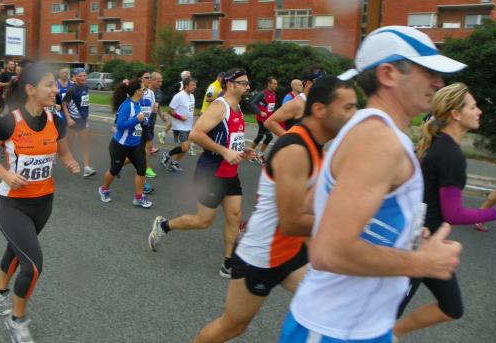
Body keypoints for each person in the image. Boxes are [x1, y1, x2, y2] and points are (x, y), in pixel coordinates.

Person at [280, 26, 464, 343]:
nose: (439, 83)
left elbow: (315, 202)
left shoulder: (366, 128)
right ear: (389, 74)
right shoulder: (379, 141)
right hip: (333, 330)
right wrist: (422, 262)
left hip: (356, 325)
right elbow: (328, 251)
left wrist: (401, 233)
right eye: (429, 72)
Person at [192, 76, 358, 343]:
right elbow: (292, 221)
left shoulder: (318, 147)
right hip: (261, 256)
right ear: (320, 110)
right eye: (348, 108)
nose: (354, 115)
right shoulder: (295, 149)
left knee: (336, 311)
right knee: (232, 326)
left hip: (292, 252)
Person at [394, 83, 496, 340]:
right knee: (383, 313)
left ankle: (390, 334)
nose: (479, 112)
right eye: (473, 107)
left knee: (451, 308)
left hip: (427, 242)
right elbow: (454, 213)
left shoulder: (441, 145)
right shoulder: (450, 154)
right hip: (417, 245)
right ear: (455, 114)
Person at [0, 63, 80, 343]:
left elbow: (62, 151)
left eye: (55, 84)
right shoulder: (9, 122)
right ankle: (18, 319)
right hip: (12, 204)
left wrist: (70, 161)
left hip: (43, 202)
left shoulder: (55, 121)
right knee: (33, 264)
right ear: (30, 89)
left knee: (17, 249)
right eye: (49, 84)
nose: (55, 89)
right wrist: (5, 174)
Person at [148, 68, 255, 278]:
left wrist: (243, 151)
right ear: (231, 84)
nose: (248, 87)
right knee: (204, 221)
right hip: (212, 171)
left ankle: (228, 264)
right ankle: (163, 226)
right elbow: (196, 134)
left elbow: (231, 139)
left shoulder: (238, 109)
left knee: (234, 217)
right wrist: (224, 151)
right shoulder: (219, 106)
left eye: (248, 83)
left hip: (231, 171)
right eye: (244, 83)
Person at [98, 78, 153, 208]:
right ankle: (104, 189)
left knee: (141, 169)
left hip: (135, 145)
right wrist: (136, 120)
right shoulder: (126, 106)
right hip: (120, 145)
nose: (145, 91)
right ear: (136, 91)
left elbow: (141, 122)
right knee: (114, 170)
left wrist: (144, 122)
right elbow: (120, 125)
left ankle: (139, 197)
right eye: (143, 89)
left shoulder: (139, 104)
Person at [62, 68, 95, 177]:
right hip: (73, 120)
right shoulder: (72, 89)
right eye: (80, 76)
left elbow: (84, 104)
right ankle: (64, 160)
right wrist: (68, 119)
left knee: (85, 144)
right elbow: (64, 104)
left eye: (84, 75)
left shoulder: (86, 87)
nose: (83, 78)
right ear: (75, 77)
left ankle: (86, 167)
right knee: (68, 144)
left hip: (83, 121)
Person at [264, 71, 318, 136]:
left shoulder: (305, 99)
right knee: (267, 137)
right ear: (294, 87)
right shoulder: (289, 97)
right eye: (300, 85)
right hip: (285, 126)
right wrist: (288, 138)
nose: (302, 86)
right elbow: (284, 111)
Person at [160, 77, 196, 172]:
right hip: (179, 126)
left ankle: (174, 163)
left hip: (188, 126)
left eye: (195, 85)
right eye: (192, 85)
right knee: (185, 147)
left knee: (185, 148)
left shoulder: (192, 96)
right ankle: (166, 155)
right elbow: (170, 110)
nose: (195, 87)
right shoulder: (179, 96)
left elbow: (189, 110)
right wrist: (180, 117)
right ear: (186, 86)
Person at [249, 76, 278, 164]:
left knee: (260, 136)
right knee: (269, 137)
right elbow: (253, 103)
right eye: (274, 84)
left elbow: (270, 108)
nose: (276, 85)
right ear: (269, 84)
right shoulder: (263, 93)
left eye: (276, 84)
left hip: (268, 120)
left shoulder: (273, 94)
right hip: (261, 119)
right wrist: (260, 112)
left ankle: (250, 153)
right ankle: (260, 155)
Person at [159, 70, 191, 143]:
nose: (190, 77)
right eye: (188, 76)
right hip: (177, 106)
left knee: (176, 121)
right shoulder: (178, 85)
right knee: (178, 121)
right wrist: (174, 100)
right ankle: (183, 140)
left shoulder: (189, 85)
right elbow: (170, 92)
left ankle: (163, 134)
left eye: (190, 76)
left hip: (184, 106)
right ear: (183, 77)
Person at [138, 70, 158, 178]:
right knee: (133, 150)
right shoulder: (134, 92)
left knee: (148, 146)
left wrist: (154, 110)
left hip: (146, 124)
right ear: (140, 79)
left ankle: (147, 168)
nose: (149, 79)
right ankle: (119, 164)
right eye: (146, 77)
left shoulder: (151, 93)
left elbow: (153, 108)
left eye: (150, 77)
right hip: (135, 125)